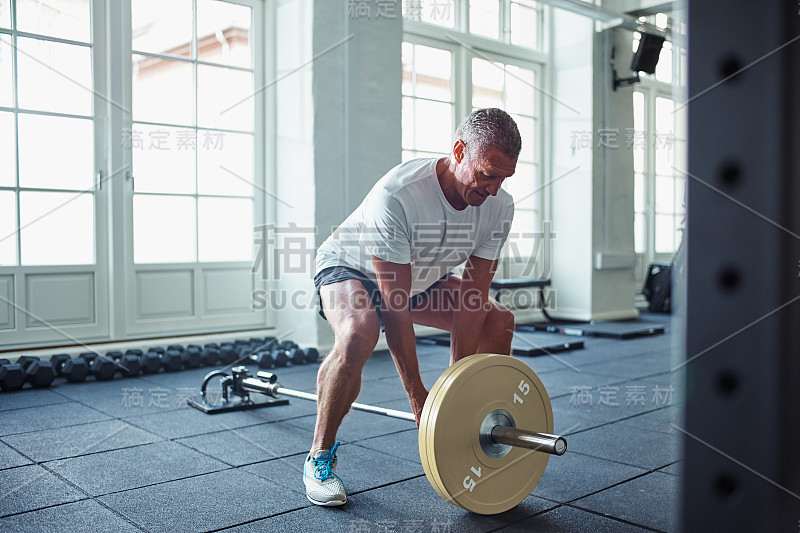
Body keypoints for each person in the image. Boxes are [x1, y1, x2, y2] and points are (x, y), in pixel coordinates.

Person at [304, 108, 521, 506]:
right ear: (459, 150)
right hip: (350, 267)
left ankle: (478, 424)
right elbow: (394, 307)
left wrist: (455, 389)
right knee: (359, 333)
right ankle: (319, 456)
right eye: (487, 174)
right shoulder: (399, 195)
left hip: (420, 275)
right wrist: (420, 398)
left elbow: (472, 300)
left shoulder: (499, 207)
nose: (493, 189)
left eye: (503, 178)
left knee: (498, 319)